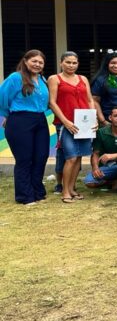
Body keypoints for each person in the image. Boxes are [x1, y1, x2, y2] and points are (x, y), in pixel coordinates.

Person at [0, 50, 50, 205]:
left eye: (41, 62)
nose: (37, 64)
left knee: (41, 157)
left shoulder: (42, 79)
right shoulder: (16, 78)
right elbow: (3, 98)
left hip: (40, 120)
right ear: (26, 61)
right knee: (24, 159)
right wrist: (9, 116)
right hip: (20, 120)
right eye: (34, 61)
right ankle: (25, 196)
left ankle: (37, 192)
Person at [47, 51, 94, 203]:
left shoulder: (83, 78)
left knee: (79, 156)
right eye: (68, 62)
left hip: (84, 123)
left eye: (74, 63)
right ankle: (65, 191)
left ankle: (72, 188)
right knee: (71, 157)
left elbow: (89, 100)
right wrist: (66, 121)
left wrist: (93, 118)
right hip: (65, 124)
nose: (71, 65)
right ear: (61, 63)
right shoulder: (55, 79)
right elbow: (52, 103)